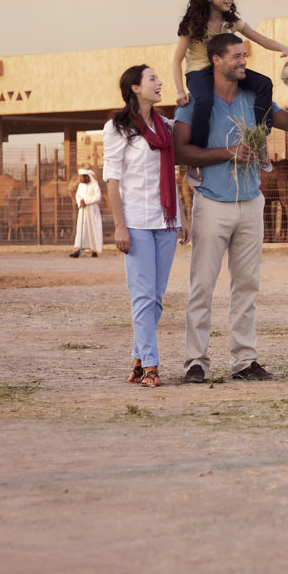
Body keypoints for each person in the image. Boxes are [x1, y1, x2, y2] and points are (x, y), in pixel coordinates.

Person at [173, 33, 288, 382]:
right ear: (217, 61)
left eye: (244, 56)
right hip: (211, 203)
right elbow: (179, 151)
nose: (243, 62)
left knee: (247, 285)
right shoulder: (195, 102)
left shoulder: (256, 99)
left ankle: (244, 361)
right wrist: (228, 153)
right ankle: (196, 362)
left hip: (251, 203)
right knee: (202, 286)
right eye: (236, 56)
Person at [104, 64, 190, 388]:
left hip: (166, 221)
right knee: (142, 296)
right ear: (136, 88)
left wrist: (182, 217)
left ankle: (139, 358)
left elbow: (172, 175)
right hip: (136, 223)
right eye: (152, 79)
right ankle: (152, 366)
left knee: (155, 298)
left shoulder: (166, 125)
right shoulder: (117, 127)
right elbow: (112, 180)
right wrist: (120, 226)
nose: (160, 82)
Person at [170, 0, 288, 181]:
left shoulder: (232, 22)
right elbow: (177, 60)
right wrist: (180, 91)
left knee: (264, 84)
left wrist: (285, 48)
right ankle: (196, 159)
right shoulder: (193, 24)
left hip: (225, 69)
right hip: (199, 72)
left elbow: (260, 39)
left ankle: (259, 140)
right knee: (204, 100)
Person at [70, 169, 103, 258]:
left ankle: (94, 250)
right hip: (83, 211)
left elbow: (98, 197)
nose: (80, 179)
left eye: (81, 177)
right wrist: (79, 203)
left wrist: (86, 201)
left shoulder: (94, 185)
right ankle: (78, 250)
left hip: (92, 211)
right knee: (81, 229)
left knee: (93, 229)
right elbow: (77, 196)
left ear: (87, 177)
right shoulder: (80, 186)